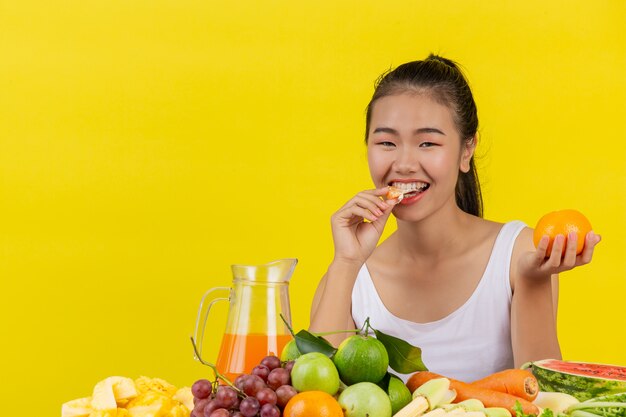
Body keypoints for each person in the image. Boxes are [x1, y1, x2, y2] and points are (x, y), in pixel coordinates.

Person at [309, 54, 601, 383]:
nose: (404, 163)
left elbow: (547, 398)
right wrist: (347, 261)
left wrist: (533, 280)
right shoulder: (350, 277)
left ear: (466, 150)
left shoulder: (518, 255)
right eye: (386, 142)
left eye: (428, 143)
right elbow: (313, 398)